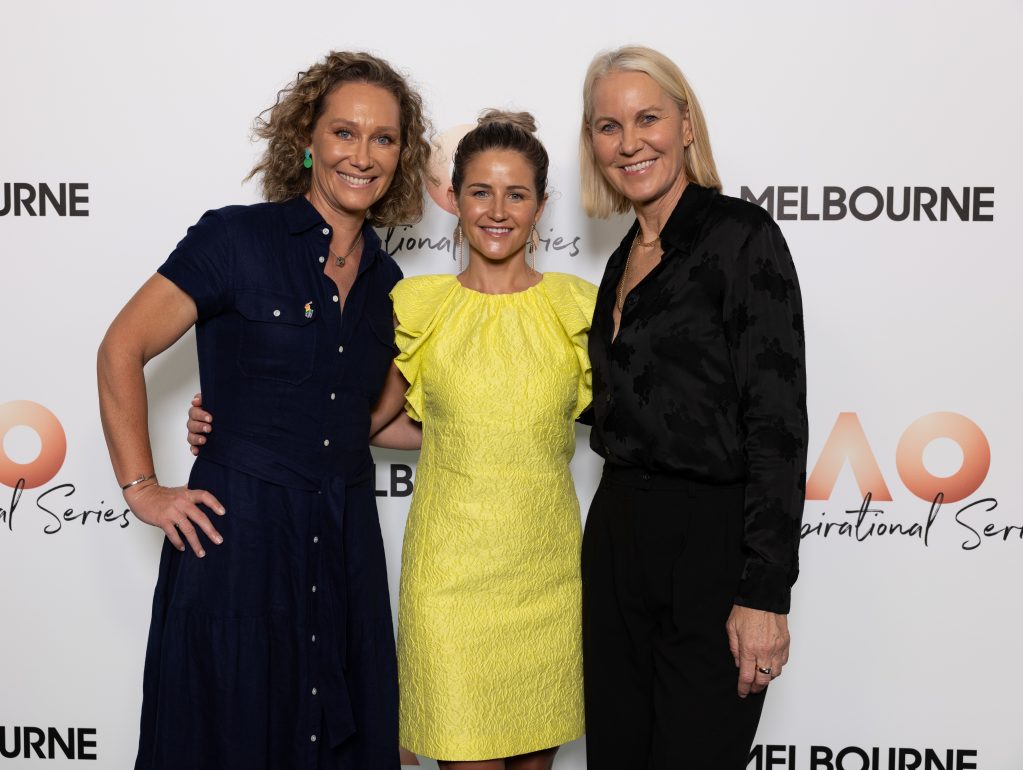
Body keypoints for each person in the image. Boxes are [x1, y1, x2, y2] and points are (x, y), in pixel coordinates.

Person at [189, 111, 595, 770]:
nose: (497, 210)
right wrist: (234, 419)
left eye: (516, 194)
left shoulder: (576, 307)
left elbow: (635, 422)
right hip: (450, 586)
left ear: (542, 206)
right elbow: (358, 417)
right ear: (453, 200)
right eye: (480, 192)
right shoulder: (418, 306)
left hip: (545, 582)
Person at [96, 50, 431, 770]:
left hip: (343, 543)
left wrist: (494, 433)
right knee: (226, 734)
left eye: (383, 138)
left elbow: (367, 422)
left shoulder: (389, 284)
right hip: (236, 543)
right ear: (307, 140)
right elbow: (121, 347)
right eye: (344, 133)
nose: (362, 156)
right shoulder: (234, 239)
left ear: (402, 156)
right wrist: (143, 489)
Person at [577, 46, 808, 769]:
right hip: (616, 532)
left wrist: (764, 594)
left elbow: (775, 423)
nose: (629, 141)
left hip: (708, 542)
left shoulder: (742, 238)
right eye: (607, 126)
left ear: (684, 124)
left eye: (647, 117)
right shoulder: (622, 256)